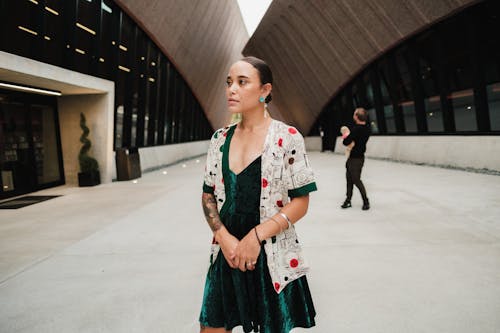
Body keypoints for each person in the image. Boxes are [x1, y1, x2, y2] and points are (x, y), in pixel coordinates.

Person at [199, 56, 317, 333]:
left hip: (271, 254)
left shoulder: (287, 137)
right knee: (211, 327)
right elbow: (208, 197)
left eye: (242, 82)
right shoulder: (220, 139)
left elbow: (301, 202)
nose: (232, 90)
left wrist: (255, 237)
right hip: (227, 252)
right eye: (229, 83)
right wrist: (225, 238)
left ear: (264, 90)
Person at [341, 108, 370, 210]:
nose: (353, 115)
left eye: (354, 114)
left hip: (354, 159)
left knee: (355, 180)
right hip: (358, 158)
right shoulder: (367, 128)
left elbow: (346, 142)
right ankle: (348, 200)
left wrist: (345, 136)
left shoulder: (356, 129)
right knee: (349, 179)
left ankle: (365, 201)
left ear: (356, 117)